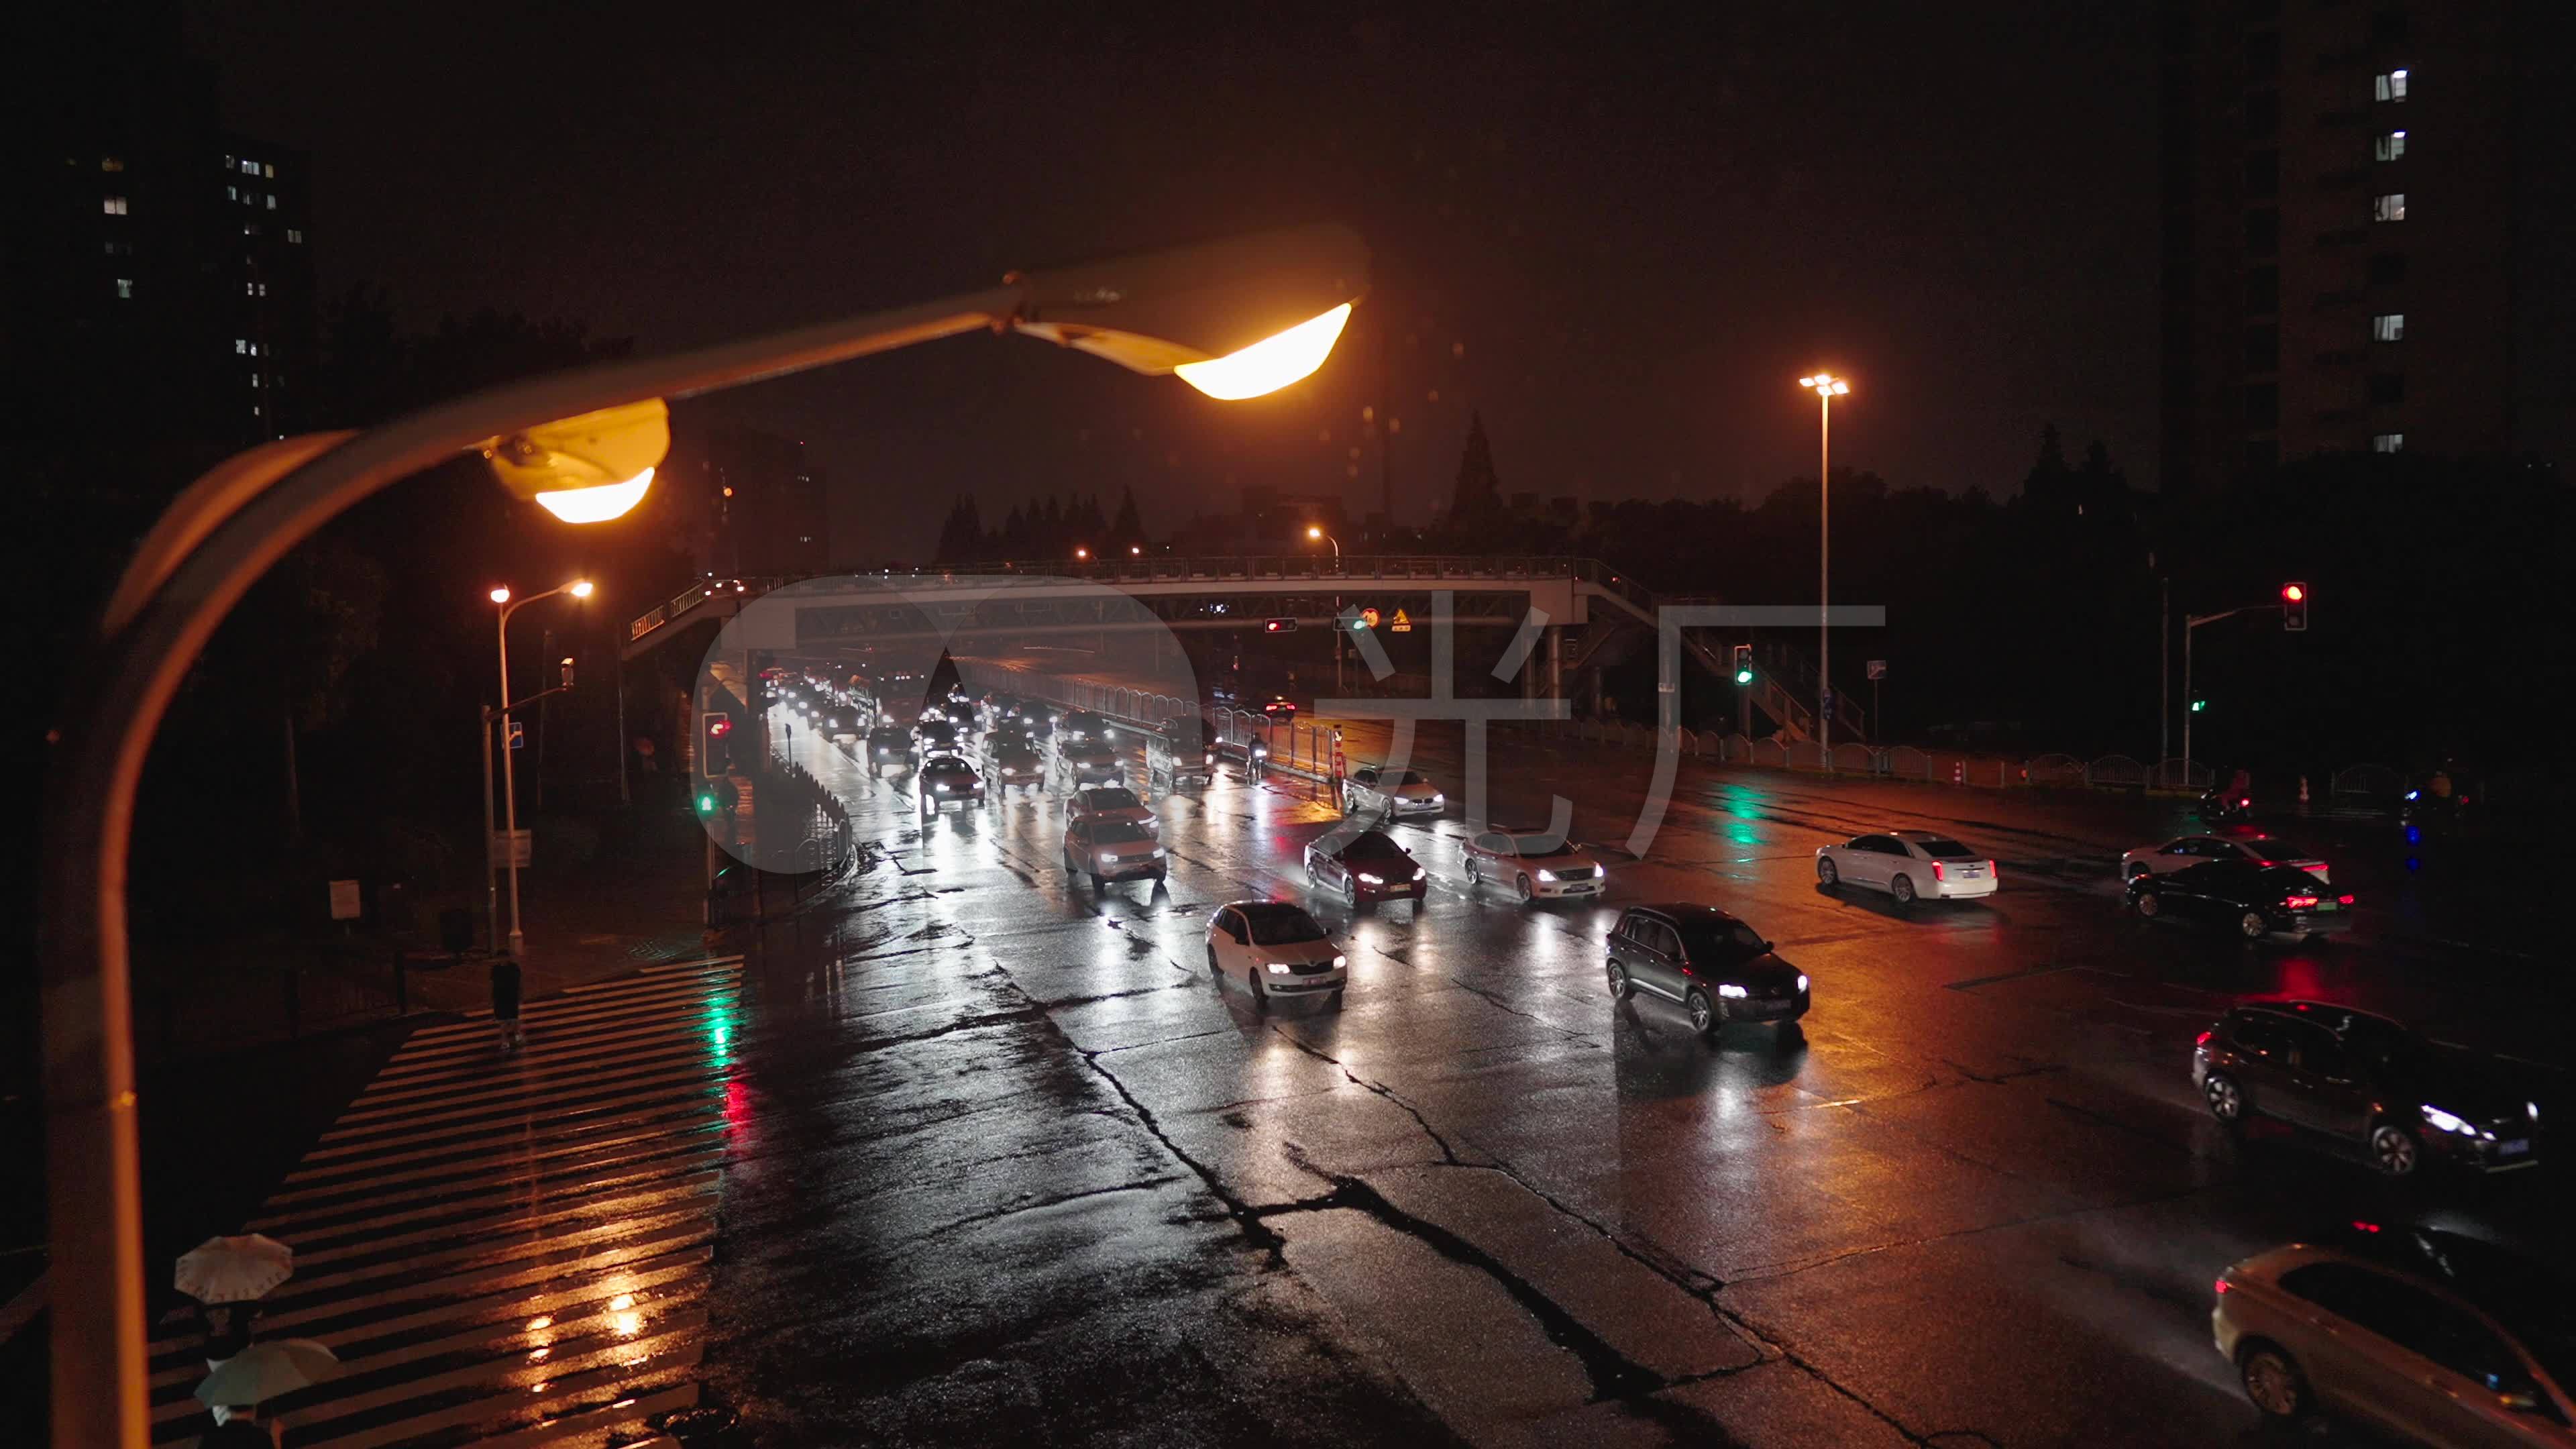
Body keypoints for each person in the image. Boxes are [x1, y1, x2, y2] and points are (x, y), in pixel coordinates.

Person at [490, 956, 524, 1053]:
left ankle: (515, 1038)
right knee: (504, 1021)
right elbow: (492, 984)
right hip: (502, 998)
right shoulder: (497, 969)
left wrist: (520, 994)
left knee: (512, 1019)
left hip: (510, 997)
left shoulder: (513, 968)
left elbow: (519, 982)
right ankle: (507, 1041)